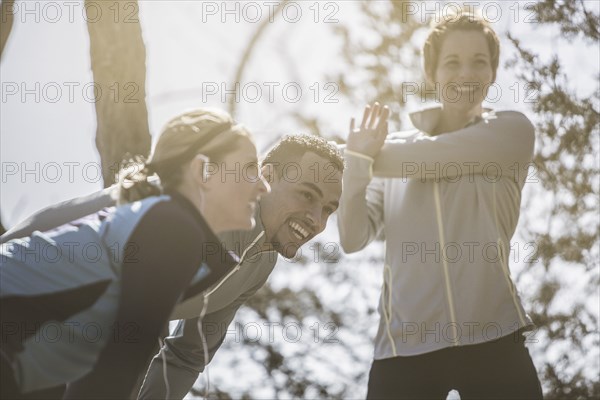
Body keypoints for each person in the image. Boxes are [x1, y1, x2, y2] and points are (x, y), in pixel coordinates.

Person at [2, 134, 344, 399]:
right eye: (307, 195)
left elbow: (188, 354)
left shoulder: (260, 263)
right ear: (266, 176)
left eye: (328, 209)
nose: (316, 219)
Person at [338, 10, 544, 400]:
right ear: (432, 74)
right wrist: (355, 172)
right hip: (403, 350)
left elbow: (430, 158)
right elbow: (352, 237)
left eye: (479, 62)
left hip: (494, 338)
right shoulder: (389, 149)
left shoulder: (511, 132)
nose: (465, 74)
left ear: (493, 74)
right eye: (452, 63)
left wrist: (354, 157)